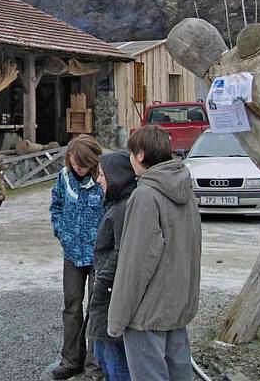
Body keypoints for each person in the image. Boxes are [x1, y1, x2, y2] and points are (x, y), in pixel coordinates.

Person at [108, 125, 202, 381]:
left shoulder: (145, 195)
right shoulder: (186, 190)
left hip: (146, 313)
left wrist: (117, 319)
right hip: (176, 304)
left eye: (130, 154)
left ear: (140, 156)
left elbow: (135, 264)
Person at [49, 135, 104, 380]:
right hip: (72, 253)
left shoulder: (104, 180)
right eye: (74, 164)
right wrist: (61, 232)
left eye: (82, 165)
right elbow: (56, 206)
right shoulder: (63, 177)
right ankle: (71, 360)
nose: (78, 169)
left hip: (98, 256)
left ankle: (94, 365)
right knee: (72, 307)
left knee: (96, 308)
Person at [88, 151, 138, 381]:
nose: (98, 180)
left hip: (111, 295)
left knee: (114, 361)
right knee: (103, 353)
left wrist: (101, 282)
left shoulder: (122, 210)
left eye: (102, 174)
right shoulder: (117, 205)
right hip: (107, 292)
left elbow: (120, 253)